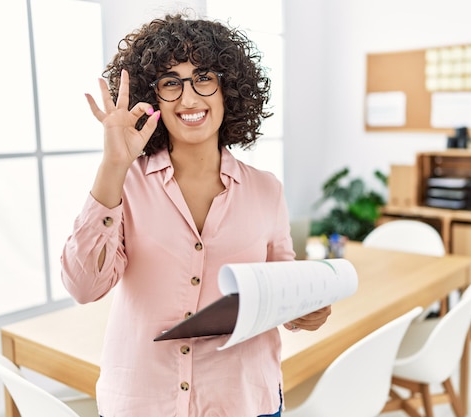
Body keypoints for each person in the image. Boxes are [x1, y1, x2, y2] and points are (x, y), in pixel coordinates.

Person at [60, 12, 332, 417]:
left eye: (204, 77)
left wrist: (302, 313)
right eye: (171, 83)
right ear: (152, 100)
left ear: (229, 89)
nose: (189, 99)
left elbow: (279, 288)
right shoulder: (123, 186)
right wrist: (113, 166)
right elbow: (83, 287)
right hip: (143, 401)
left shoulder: (266, 189)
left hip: (242, 400)